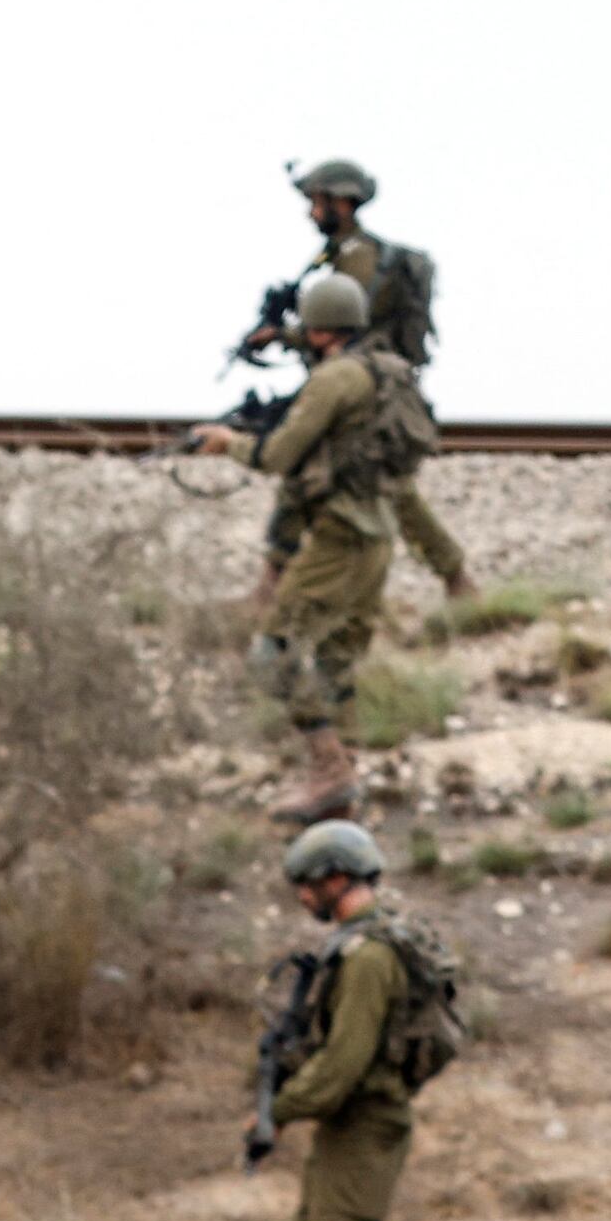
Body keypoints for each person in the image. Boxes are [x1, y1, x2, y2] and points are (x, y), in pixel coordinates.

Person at [240, 818, 507, 1221]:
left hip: (368, 1124)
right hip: (346, 1123)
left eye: (307, 886)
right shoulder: (355, 946)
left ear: (335, 878)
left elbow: (341, 1068)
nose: (303, 899)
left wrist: (278, 1111)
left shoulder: (369, 958)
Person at [194, 271, 428, 828]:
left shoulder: (331, 383)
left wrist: (227, 444)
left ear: (320, 329)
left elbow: (279, 456)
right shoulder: (381, 370)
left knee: (272, 654)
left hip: (338, 535)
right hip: (377, 533)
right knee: (337, 663)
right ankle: (340, 791)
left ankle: (329, 770)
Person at [237, 156, 474, 602]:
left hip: (365, 385)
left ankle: (456, 577)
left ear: (342, 203)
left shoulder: (358, 258)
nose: (312, 212)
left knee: (386, 487)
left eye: (318, 202)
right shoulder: (344, 254)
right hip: (359, 378)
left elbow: (348, 326)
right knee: (318, 476)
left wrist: (285, 336)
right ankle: (271, 582)